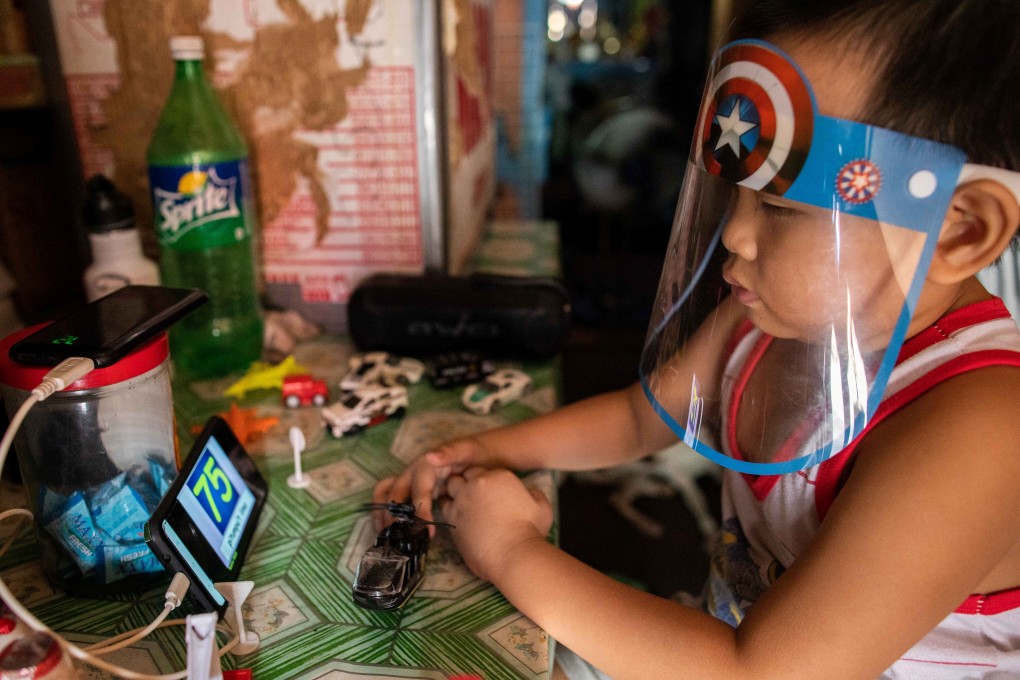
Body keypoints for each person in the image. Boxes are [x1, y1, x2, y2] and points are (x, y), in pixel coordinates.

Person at [374, 1, 1020, 677]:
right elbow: (639, 416)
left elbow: (755, 671)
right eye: (733, 194)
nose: (735, 237)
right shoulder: (770, 319)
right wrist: (481, 449)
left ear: (958, 229)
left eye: (778, 207)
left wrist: (509, 547)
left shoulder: (981, 430)